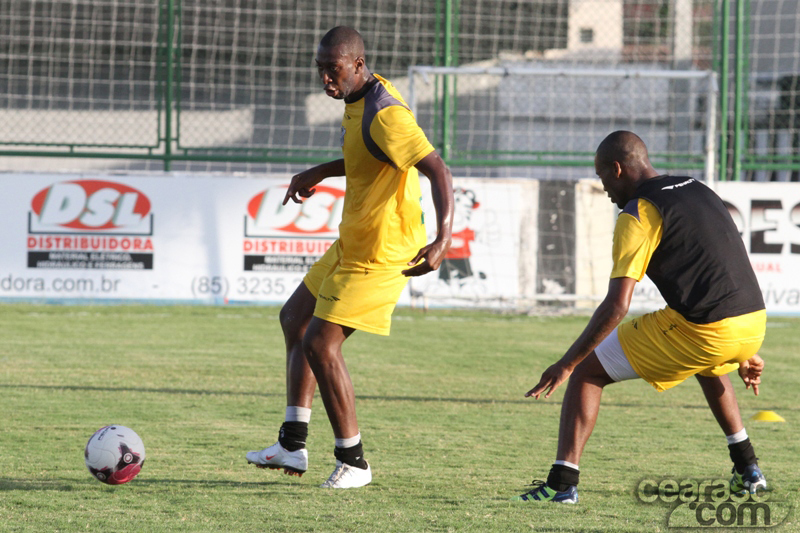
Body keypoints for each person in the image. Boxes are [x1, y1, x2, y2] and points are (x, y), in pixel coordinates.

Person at [246, 26, 453, 489]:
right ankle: (293, 445)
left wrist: (443, 239)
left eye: (332, 69)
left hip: (384, 253)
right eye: (320, 69)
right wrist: (320, 169)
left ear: (358, 64)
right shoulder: (358, 99)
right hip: (352, 242)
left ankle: (354, 462)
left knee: (321, 343)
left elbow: (437, 169)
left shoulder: (386, 114)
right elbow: (367, 156)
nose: (325, 79)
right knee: (295, 319)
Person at [513, 131, 767, 504]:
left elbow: (617, 306)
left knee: (587, 372)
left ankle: (562, 484)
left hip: (709, 330)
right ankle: (748, 469)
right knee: (708, 364)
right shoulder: (698, 187)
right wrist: (741, 347)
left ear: (617, 169)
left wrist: (566, 364)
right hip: (752, 321)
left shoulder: (639, 212)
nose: (604, 189)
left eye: (603, 179)